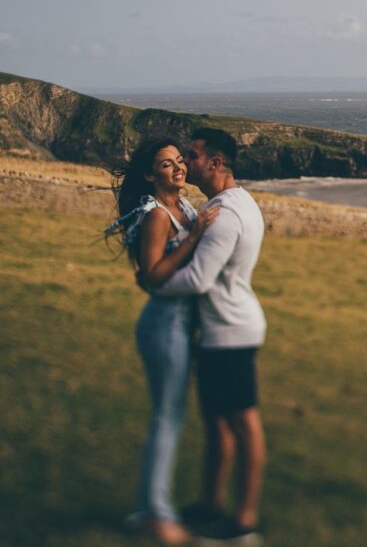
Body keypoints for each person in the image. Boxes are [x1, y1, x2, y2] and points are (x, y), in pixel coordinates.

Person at [144, 127, 268, 545]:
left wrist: (154, 283)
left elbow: (197, 280)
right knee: (218, 424)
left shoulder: (225, 214)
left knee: (243, 423)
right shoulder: (230, 203)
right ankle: (210, 506)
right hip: (221, 330)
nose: (184, 162)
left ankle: (243, 522)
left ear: (215, 163)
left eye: (192, 156)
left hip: (230, 330)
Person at [109, 137, 221, 545]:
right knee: (167, 419)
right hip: (164, 324)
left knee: (171, 417)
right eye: (165, 164)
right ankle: (156, 514)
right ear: (149, 174)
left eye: (179, 161)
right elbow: (153, 275)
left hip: (181, 322)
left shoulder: (186, 207)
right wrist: (194, 238)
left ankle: (151, 509)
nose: (177, 168)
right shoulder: (158, 215)